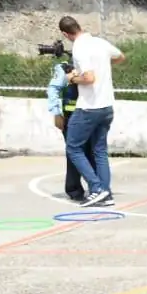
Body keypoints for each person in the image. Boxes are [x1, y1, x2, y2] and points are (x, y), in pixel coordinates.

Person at [59, 16, 124, 207]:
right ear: (80, 27)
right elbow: (121, 57)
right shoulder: (99, 42)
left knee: (73, 147)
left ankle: (96, 189)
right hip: (106, 107)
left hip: (89, 108)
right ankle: (106, 193)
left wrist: (72, 78)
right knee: (99, 151)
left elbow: (89, 78)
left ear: (65, 34)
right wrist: (103, 67)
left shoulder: (79, 47)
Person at [44, 52, 95, 202]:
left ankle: (97, 188)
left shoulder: (93, 67)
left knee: (93, 152)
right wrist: (56, 112)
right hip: (71, 117)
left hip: (90, 114)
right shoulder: (65, 68)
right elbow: (53, 89)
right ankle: (74, 189)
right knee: (74, 153)